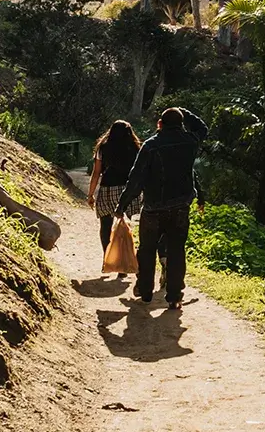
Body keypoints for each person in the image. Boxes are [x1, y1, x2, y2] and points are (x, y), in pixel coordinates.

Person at [115, 107, 204, 306]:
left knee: (147, 249)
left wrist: (122, 205)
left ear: (159, 124)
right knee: (176, 250)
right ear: (181, 124)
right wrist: (183, 112)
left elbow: (135, 179)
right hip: (181, 207)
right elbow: (202, 127)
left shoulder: (150, 145)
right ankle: (174, 297)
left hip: (154, 208)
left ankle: (145, 290)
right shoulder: (190, 142)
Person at [86, 120, 142, 251]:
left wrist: (91, 194)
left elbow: (96, 173)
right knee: (127, 226)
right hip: (129, 191)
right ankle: (125, 261)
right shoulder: (136, 148)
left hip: (108, 190)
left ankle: (108, 258)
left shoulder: (103, 148)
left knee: (105, 225)